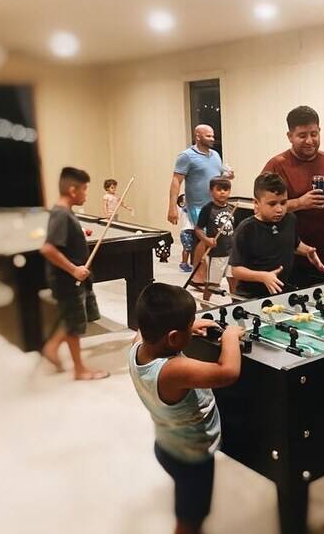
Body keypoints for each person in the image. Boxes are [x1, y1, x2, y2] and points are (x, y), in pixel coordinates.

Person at [129, 283, 243, 534]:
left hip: (167, 445)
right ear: (173, 337)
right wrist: (230, 337)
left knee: (189, 509)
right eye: (188, 325)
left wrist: (188, 327)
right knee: (190, 519)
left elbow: (141, 330)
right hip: (191, 459)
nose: (192, 328)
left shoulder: (137, 346)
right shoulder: (173, 370)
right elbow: (228, 372)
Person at [262, 106, 324, 286]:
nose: (309, 141)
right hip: (287, 260)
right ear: (290, 136)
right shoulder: (277, 165)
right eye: (302, 135)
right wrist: (299, 203)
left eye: (314, 134)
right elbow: (262, 210)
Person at [39, 167, 110, 380]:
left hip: (73, 279)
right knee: (74, 326)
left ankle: (52, 347)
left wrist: (80, 231)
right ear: (72, 190)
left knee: (74, 319)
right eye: (84, 189)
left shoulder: (65, 212)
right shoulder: (61, 214)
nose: (85, 194)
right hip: (67, 280)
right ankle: (79, 370)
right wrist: (74, 269)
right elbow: (48, 249)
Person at [229, 172, 324, 298]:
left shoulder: (290, 219)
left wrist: (307, 251)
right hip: (250, 296)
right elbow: (236, 270)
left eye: (283, 203)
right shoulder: (246, 229)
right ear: (256, 203)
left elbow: (294, 244)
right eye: (272, 204)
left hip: (280, 293)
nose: (279, 209)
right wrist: (263, 277)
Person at [168, 125, 233, 284]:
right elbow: (176, 181)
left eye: (213, 136)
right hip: (197, 206)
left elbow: (218, 177)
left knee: (214, 239)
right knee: (203, 238)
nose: (212, 139)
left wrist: (228, 176)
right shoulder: (186, 156)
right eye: (208, 136)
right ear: (198, 136)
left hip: (215, 205)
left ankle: (206, 274)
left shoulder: (215, 155)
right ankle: (197, 277)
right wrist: (172, 207)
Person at [195, 177, 236, 300]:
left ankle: (235, 303)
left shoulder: (232, 208)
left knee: (233, 281)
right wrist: (206, 240)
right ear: (211, 191)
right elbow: (198, 229)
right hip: (216, 254)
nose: (222, 192)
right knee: (213, 284)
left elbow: (235, 229)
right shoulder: (208, 209)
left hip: (231, 253)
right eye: (219, 189)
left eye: (226, 189)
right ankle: (205, 302)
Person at [177, 194, 195, 273]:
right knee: (187, 248)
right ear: (181, 203)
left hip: (192, 231)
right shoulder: (183, 209)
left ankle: (190, 262)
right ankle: (184, 263)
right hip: (186, 231)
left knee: (191, 248)